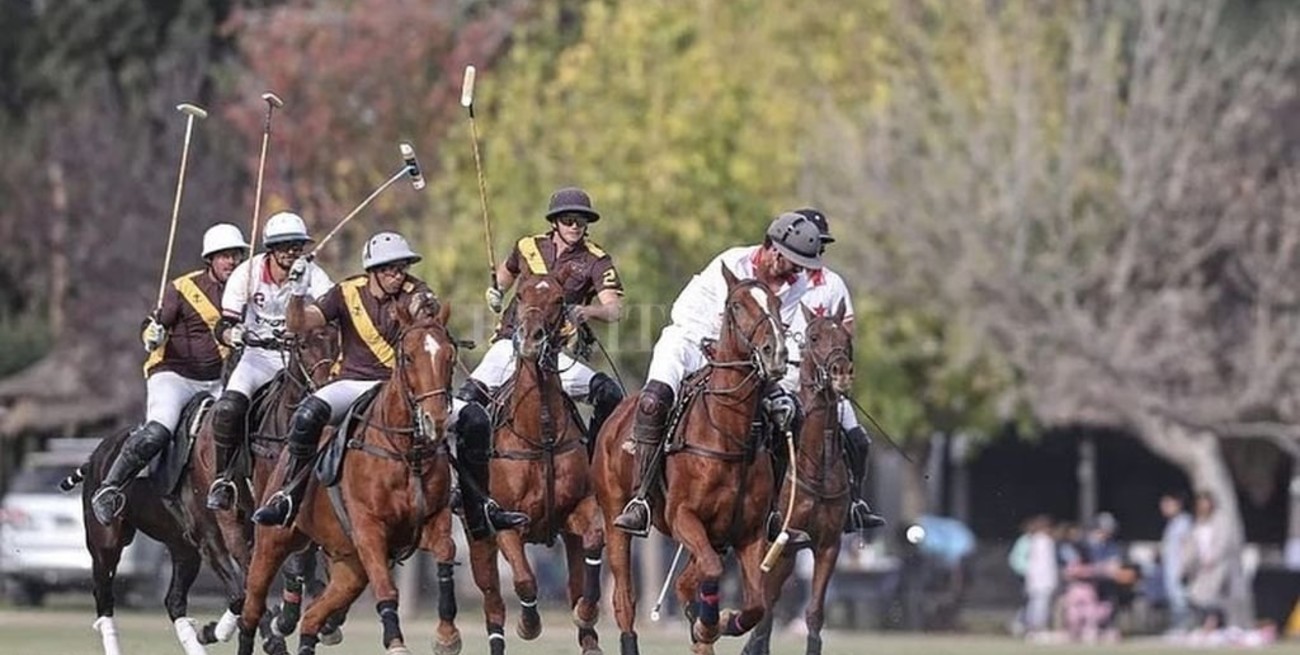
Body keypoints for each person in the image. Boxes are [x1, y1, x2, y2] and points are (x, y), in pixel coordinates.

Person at [250, 232, 528, 531]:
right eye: (389, 269)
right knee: (307, 414)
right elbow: (299, 324)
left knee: (476, 418)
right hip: (353, 383)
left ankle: (480, 508)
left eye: (402, 268)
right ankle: (290, 495)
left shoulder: (414, 290)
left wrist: (424, 307)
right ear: (373, 272)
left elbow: (426, 315)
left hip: (402, 390)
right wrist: (296, 292)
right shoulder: (345, 293)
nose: (397, 276)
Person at [612, 212, 823, 538]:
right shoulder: (731, 264)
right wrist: (715, 348)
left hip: (748, 363)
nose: (796, 272)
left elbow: (783, 335)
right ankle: (641, 500)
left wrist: (782, 384)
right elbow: (689, 315)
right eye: (793, 262)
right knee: (653, 402)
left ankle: (772, 514)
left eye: (801, 265)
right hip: (691, 342)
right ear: (773, 249)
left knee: (790, 416)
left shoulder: (795, 285)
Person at [90, 223, 249, 524]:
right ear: (210, 260)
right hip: (174, 376)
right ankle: (110, 488)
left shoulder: (246, 292)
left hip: (219, 380)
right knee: (158, 431)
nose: (231, 261)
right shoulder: (183, 288)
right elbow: (152, 324)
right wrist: (152, 334)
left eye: (236, 255)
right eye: (224, 255)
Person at [462, 185, 625, 453]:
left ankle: (596, 458)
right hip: (511, 343)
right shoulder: (527, 246)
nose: (575, 226)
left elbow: (615, 309)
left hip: (555, 353)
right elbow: (507, 273)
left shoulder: (596, 259)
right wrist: (496, 291)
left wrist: (588, 312)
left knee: (609, 393)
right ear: (554, 222)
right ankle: (466, 482)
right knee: (466, 402)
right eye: (568, 220)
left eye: (581, 221)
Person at [206, 212, 334, 510]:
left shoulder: (312, 273)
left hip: (298, 358)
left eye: (297, 245)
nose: (291, 251)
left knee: (330, 408)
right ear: (271, 249)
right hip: (257, 357)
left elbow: (334, 308)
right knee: (229, 406)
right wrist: (234, 335)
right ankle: (224, 478)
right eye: (284, 245)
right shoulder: (246, 273)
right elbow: (222, 326)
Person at [791, 208, 885, 531]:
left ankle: (855, 503)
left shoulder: (833, 283)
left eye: (821, 242)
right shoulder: (781, 281)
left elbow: (847, 328)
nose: (817, 248)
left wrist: (835, 363)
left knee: (859, 441)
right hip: (785, 376)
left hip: (825, 381)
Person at [1183, 491, 1231, 633]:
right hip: (1200, 566)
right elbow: (1192, 544)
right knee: (1196, 595)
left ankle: (1212, 625)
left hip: (1216, 565)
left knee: (1212, 595)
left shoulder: (1220, 520)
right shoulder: (1198, 521)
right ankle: (1206, 624)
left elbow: (1223, 542)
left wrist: (1213, 557)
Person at [1159, 492, 1193, 632]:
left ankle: (1183, 627)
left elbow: (1188, 545)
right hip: (1170, 567)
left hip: (1179, 567)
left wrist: (1184, 565)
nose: (1164, 507)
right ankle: (1178, 626)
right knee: (1174, 598)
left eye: (1168, 504)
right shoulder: (1172, 523)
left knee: (1181, 599)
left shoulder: (1184, 522)